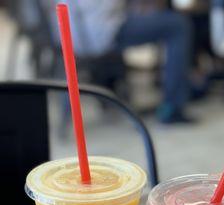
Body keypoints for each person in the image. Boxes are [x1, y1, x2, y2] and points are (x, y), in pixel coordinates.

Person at [48, 0, 193, 124]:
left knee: (151, 16)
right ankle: (172, 108)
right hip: (100, 32)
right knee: (177, 24)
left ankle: (183, 88)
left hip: (68, 34)